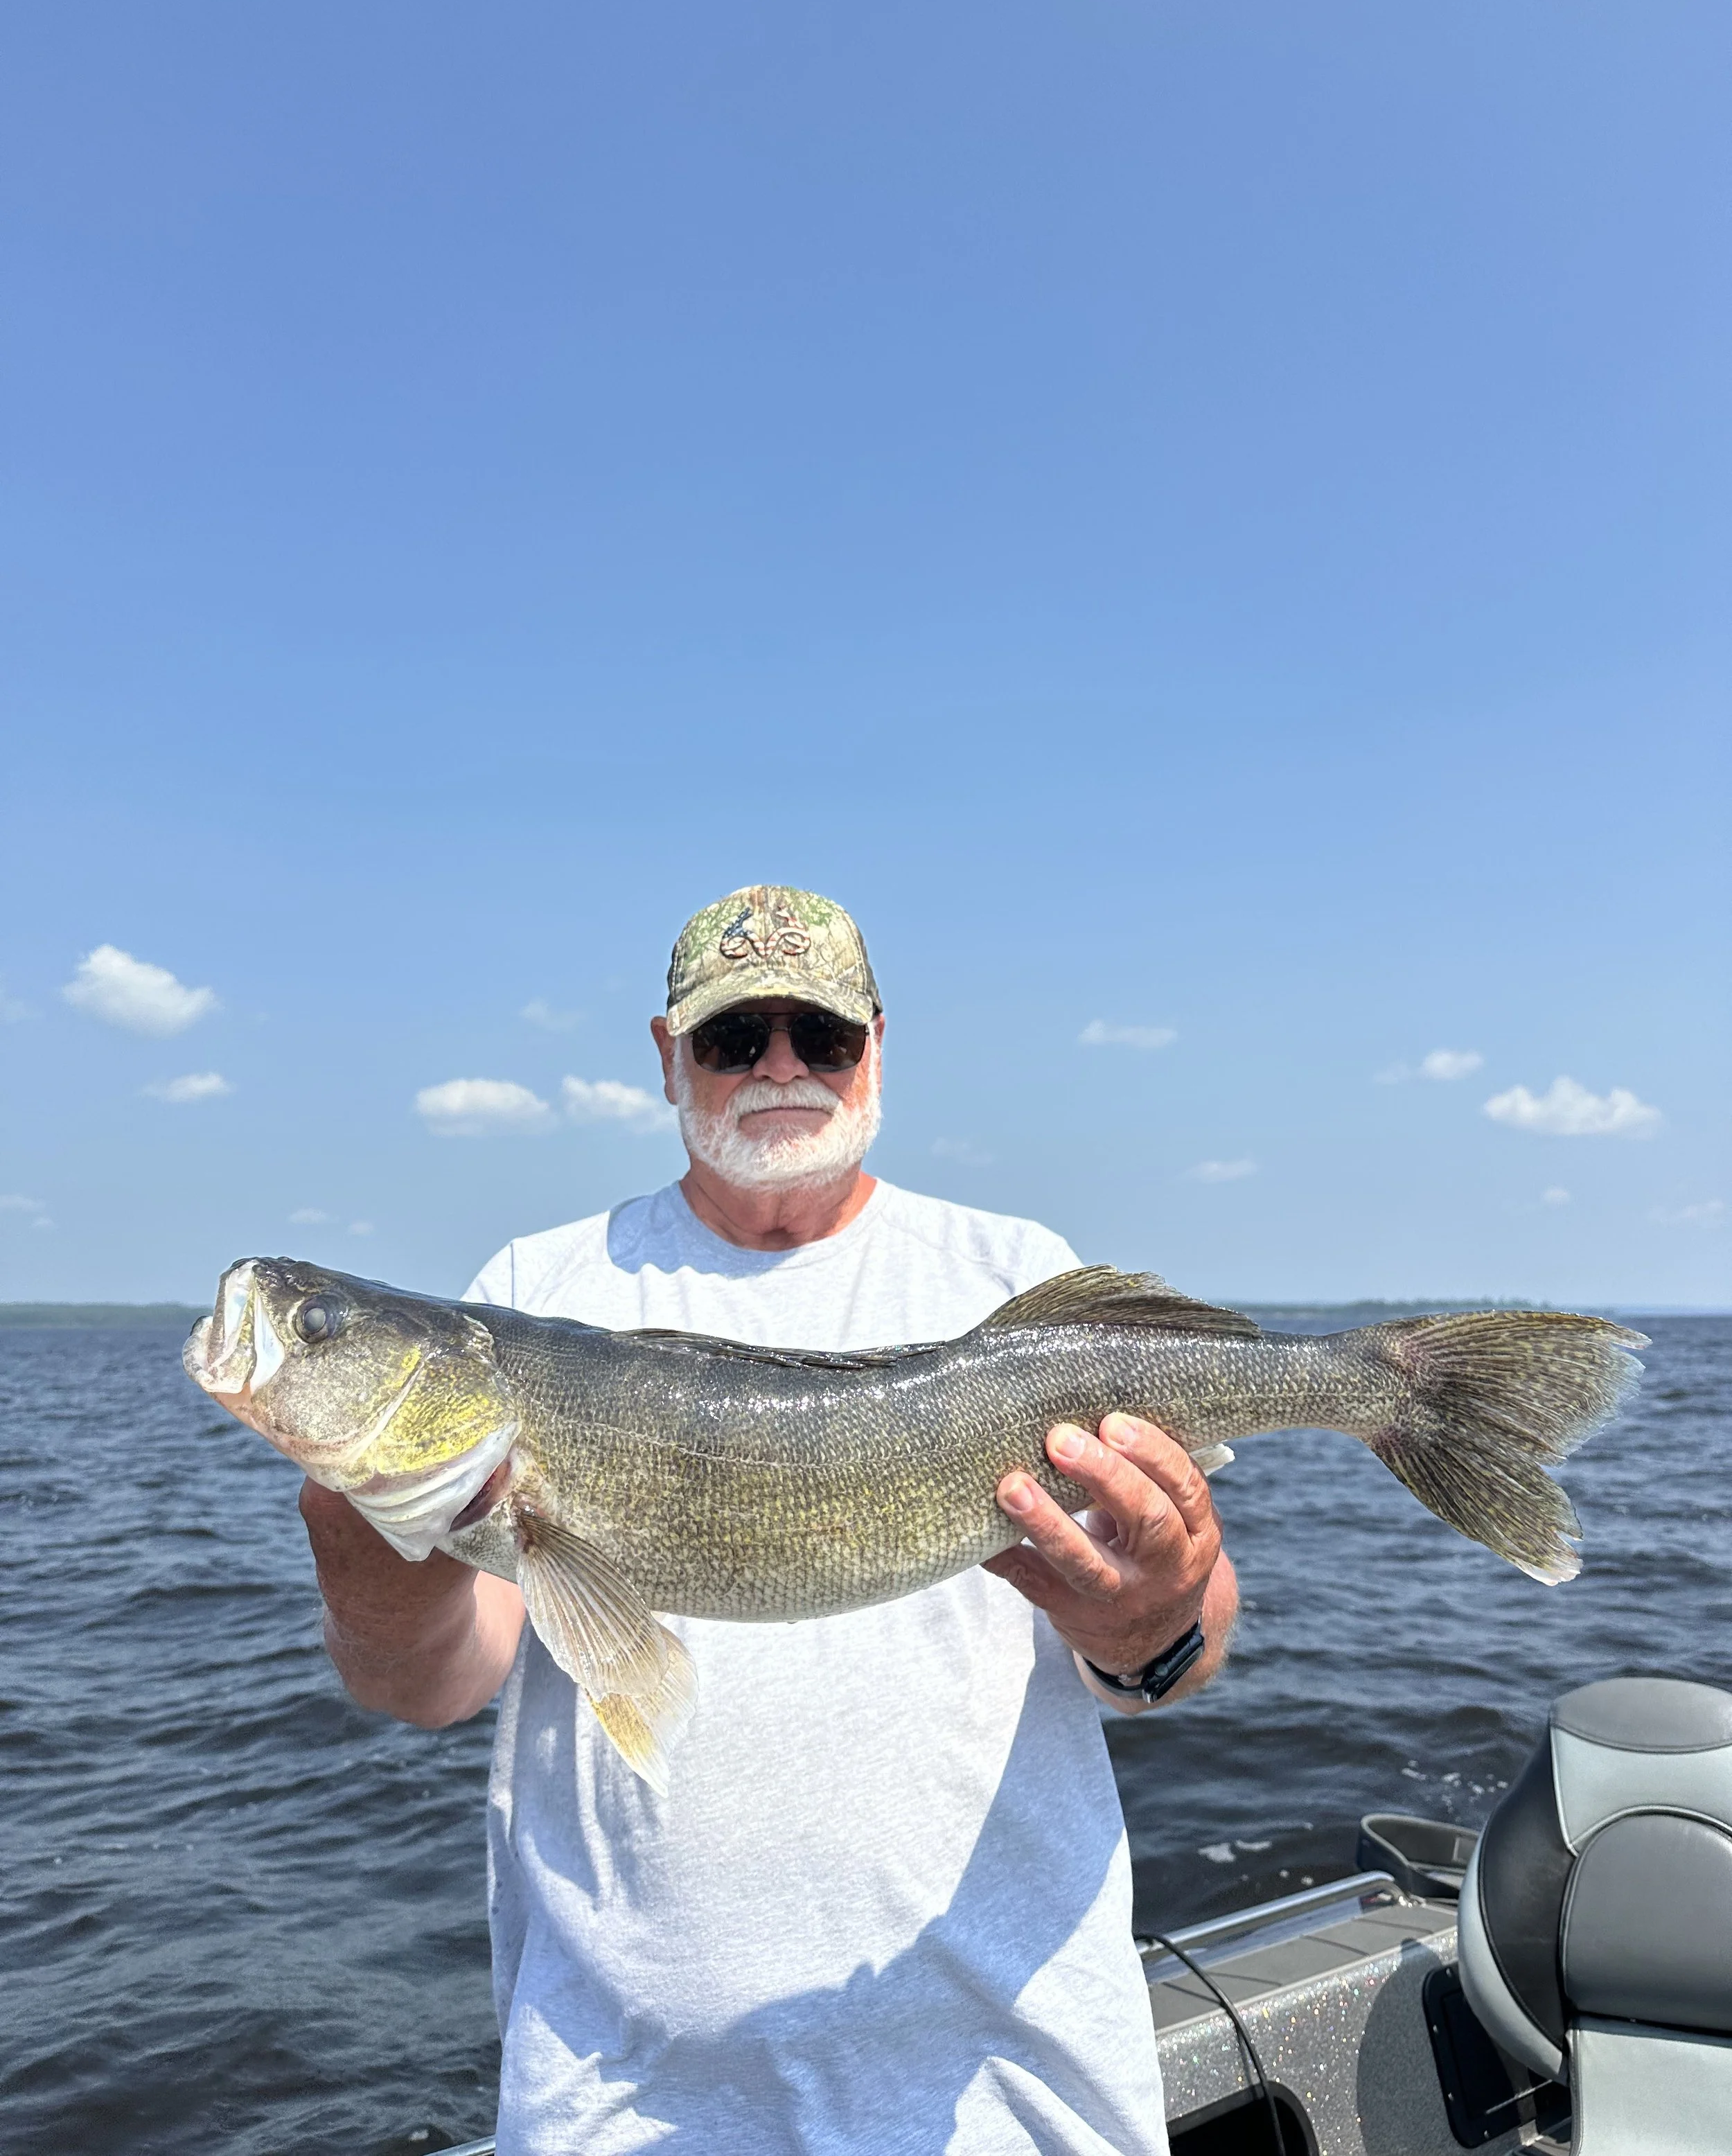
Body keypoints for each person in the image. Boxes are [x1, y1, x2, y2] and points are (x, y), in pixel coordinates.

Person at [300, 885, 1239, 2156]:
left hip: (1010, 2097)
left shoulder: (1016, 1280)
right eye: (736, 1040)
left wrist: (1160, 1622)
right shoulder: (530, 1294)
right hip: (626, 2107)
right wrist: (368, 1541)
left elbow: (1180, 1648)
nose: (781, 1068)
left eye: (823, 1036)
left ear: (878, 1046)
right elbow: (431, 1684)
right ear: (667, 1053)